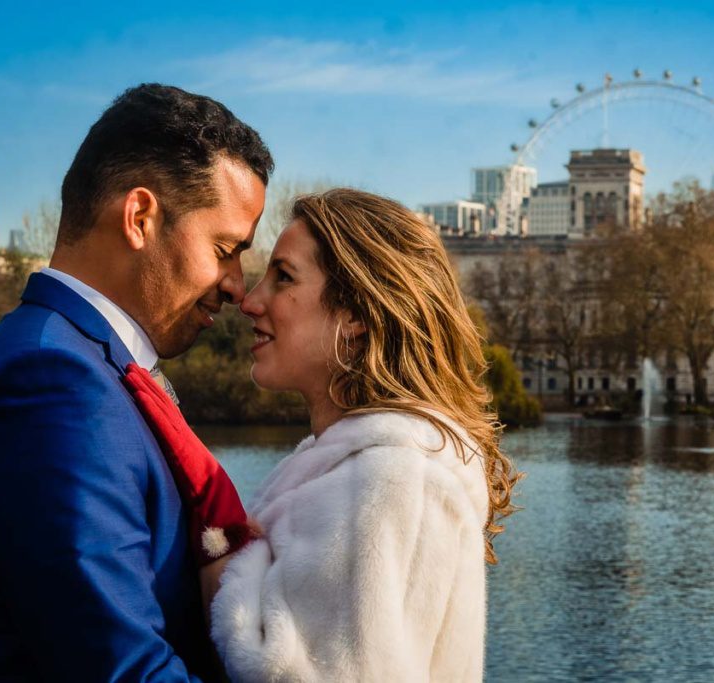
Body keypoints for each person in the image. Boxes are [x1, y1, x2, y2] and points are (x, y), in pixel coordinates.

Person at [123, 189, 520, 681]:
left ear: (354, 315)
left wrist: (217, 532)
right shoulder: (359, 465)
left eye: (283, 277)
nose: (249, 301)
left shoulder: (386, 477)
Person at [0, 83, 273, 681]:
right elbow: (122, 668)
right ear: (140, 218)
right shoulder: (53, 382)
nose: (237, 284)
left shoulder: (82, 363)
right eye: (226, 249)